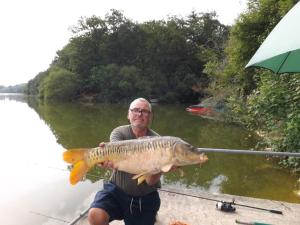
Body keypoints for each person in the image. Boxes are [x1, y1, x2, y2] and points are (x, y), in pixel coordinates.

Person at [88, 98, 162, 225]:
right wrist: (105, 158)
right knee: (95, 215)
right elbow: (117, 157)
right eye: (135, 110)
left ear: (150, 116)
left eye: (144, 111)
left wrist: (162, 166)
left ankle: (151, 216)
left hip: (145, 196)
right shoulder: (119, 132)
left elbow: (150, 181)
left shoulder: (158, 141)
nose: (139, 114)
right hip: (116, 191)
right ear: (128, 114)